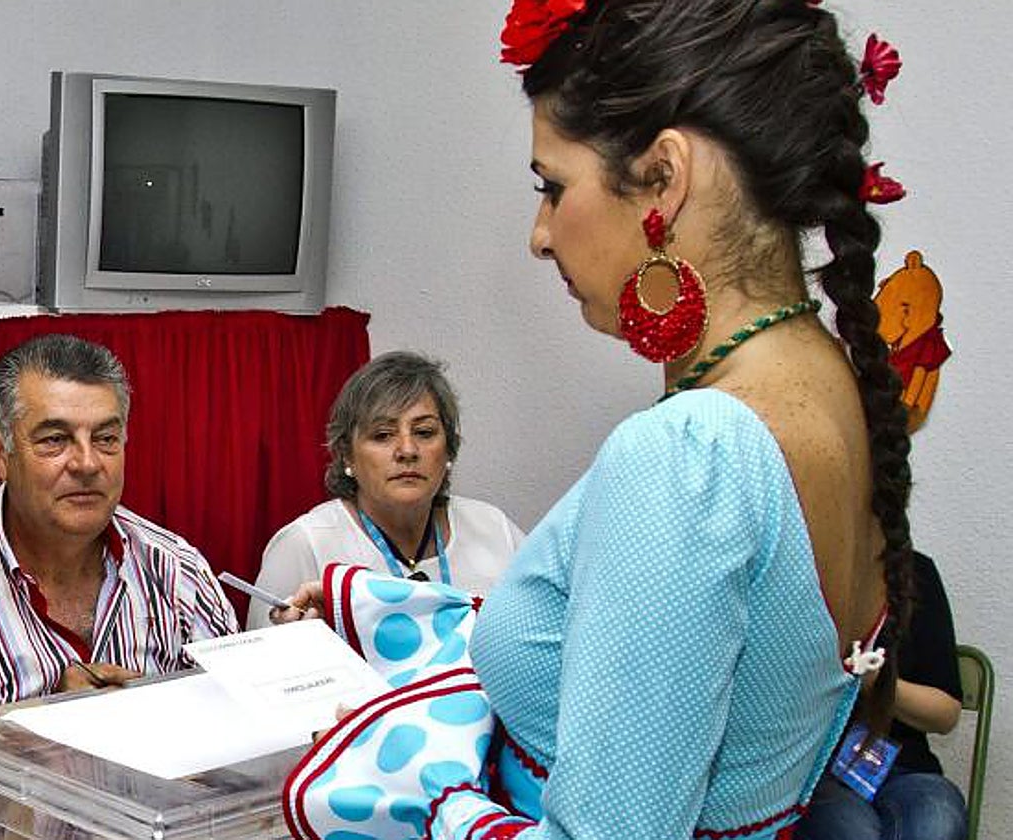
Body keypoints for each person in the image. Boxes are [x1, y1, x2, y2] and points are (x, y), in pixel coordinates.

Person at [274, 1, 917, 838]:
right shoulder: (831, 384)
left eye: (553, 187)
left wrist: (436, 804)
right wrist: (374, 606)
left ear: (664, 177)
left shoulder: (688, 453)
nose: (540, 236)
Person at [0, 334, 238, 837]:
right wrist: (38, 732)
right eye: (54, 440)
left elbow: (241, 742)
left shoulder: (176, 568)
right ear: (1, 451)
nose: (86, 463)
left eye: (106, 438)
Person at [246, 350, 523, 629]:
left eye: (424, 432)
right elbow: (255, 668)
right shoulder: (305, 544)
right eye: (382, 435)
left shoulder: (494, 528)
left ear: (449, 447)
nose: (407, 450)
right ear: (346, 455)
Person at [796, 552, 967, 840]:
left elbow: (945, 714)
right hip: (823, 769)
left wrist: (876, 682)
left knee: (938, 823)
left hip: (907, 768)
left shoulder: (916, 573)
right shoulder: (804, 572)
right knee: (851, 832)